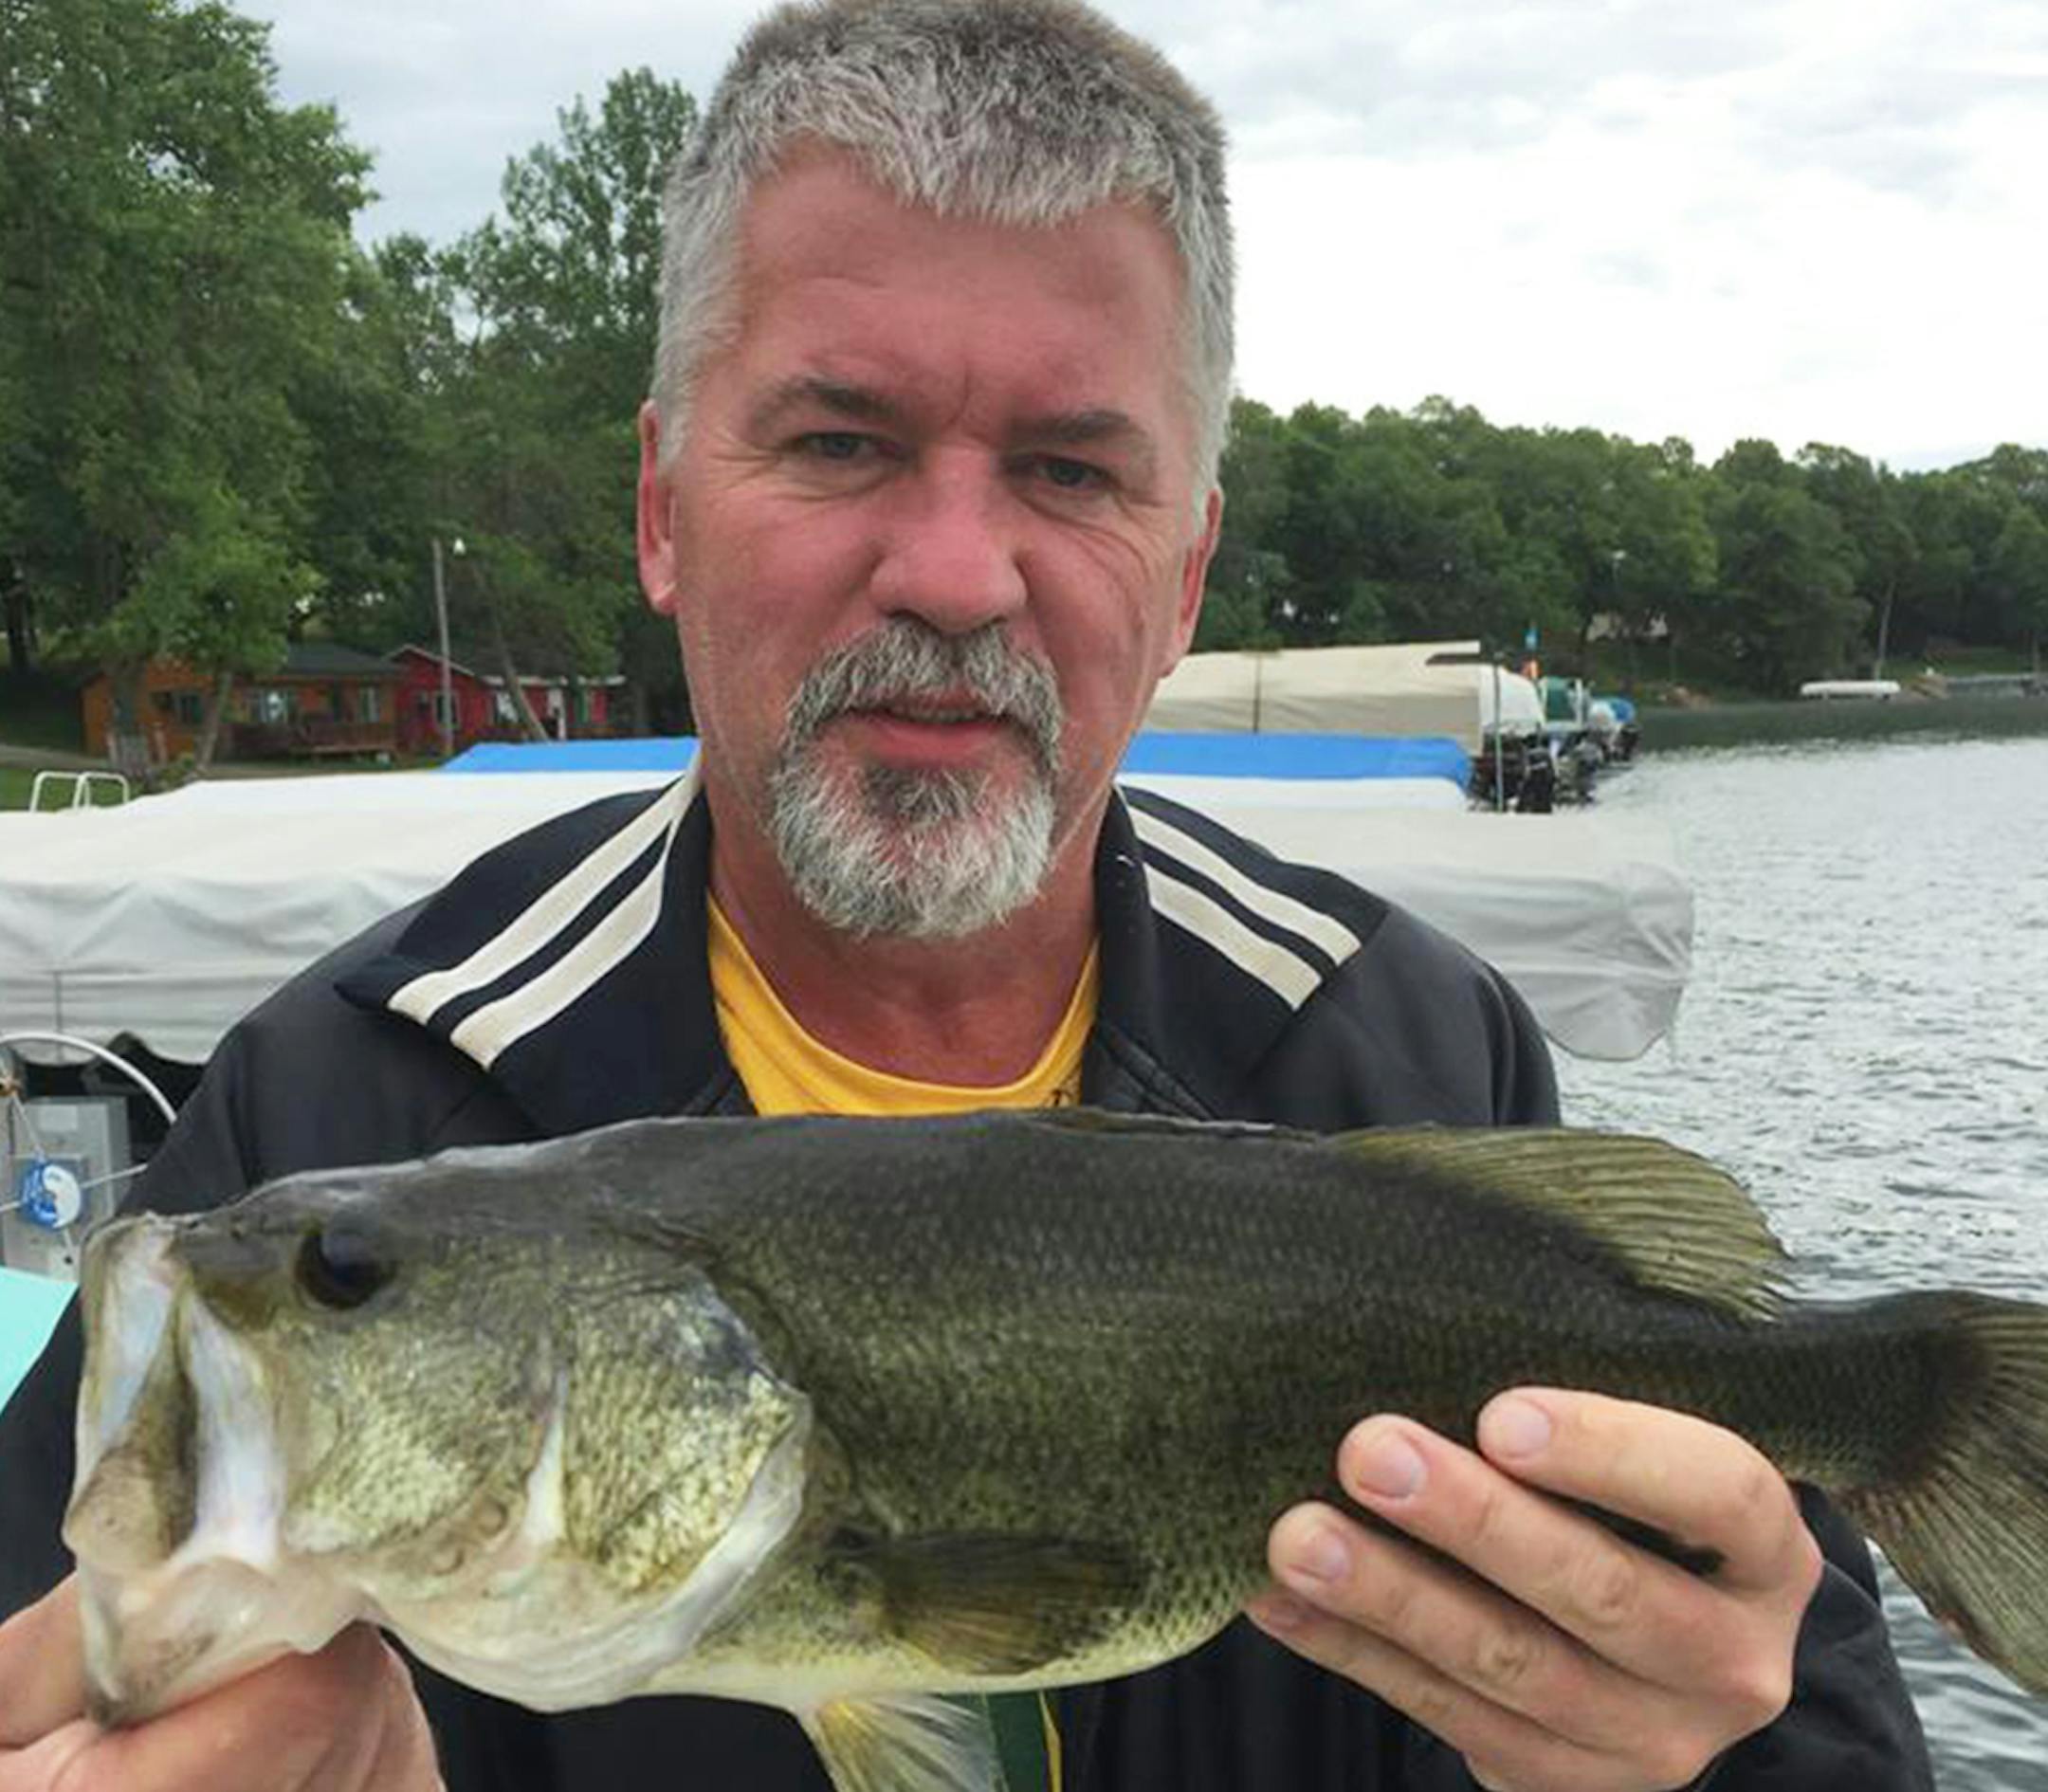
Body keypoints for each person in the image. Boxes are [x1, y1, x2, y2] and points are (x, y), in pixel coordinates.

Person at [0, 3, 1932, 1788]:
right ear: (664, 509)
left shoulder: (1411, 1051)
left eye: (1074, 472)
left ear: (1185, 578)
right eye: (840, 441)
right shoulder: (334, 1109)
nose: (949, 571)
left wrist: (1710, 1749)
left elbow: (1834, 1738)